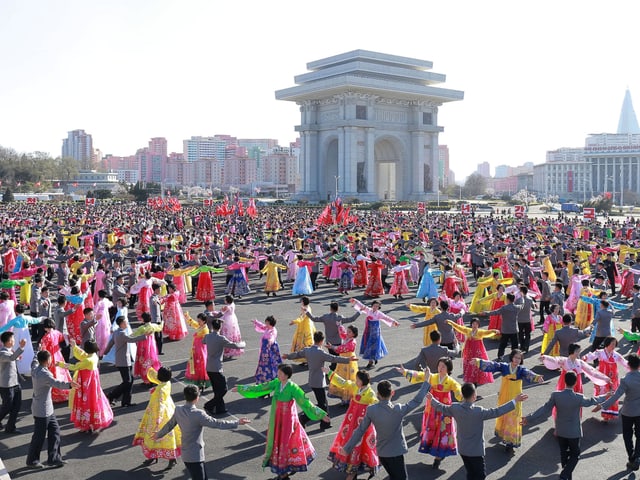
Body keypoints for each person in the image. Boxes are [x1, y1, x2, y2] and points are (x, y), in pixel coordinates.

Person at [234, 363, 328, 480]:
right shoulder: (276, 383)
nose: (277, 375)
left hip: (288, 421)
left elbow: (305, 402)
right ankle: (283, 471)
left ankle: (284, 472)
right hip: (277, 419)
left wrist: (321, 415)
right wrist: (241, 388)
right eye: (278, 373)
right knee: (277, 442)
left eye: (280, 373)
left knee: (286, 444)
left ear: (286, 375)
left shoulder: (293, 387)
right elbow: (261, 387)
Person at [428, 382, 528, 480]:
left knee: (471, 473)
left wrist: (431, 399)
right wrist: (514, 401)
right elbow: (497, 412)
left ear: (463, 395)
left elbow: (441, 407)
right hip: (476, 451)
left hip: (463, 449)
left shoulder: (455, 408)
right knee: (480, 475)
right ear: (474, 396)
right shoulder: (479, 411)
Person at [339, 378, 431, 480]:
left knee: (393, 476)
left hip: (382, 453)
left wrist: (347, 448)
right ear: (392, 393)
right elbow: (416, 400)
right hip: (396, 453)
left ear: (378, 394)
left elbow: (360, 430)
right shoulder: (398, 409)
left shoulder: (371, 410)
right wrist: (426, 381)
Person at [522, 371, 607, 480]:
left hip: (561, 430)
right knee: (575, 455)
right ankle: (565, 475)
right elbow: (592, 401)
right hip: (574, 432)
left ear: (564, 381)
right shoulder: (579, 397)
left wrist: (528, 418)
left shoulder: (556, 395)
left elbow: (544, 409)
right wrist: (606, 396)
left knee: (564, 452)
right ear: (575, 383)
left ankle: (566, 475)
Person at [154, 384, 250, 480]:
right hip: (196, 455)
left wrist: (158, 435)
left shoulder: (178, 409)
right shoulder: (199, 414)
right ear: (197, 398)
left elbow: (170, 425)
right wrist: (237, 422)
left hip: (186, 453)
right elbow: (217, 423)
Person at [474, 350, 544, 453]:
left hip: (516, 396)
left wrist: (537, 377)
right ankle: (504, 435)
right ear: (511, 357)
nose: (517, 360)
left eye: (519, 358)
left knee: (514, 416)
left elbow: (529, 373)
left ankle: (510, 442)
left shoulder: (521, 369)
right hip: (504, 395)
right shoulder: (504, 366)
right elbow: (493, 365)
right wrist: (479, 361)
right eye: (515, 357)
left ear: (521, 360)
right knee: (503, 412)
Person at [283, 330, 355, 430]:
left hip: (312, 380)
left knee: (323, 403)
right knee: (322, 404)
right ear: (321, 341)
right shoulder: (320, 352)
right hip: (319, 382)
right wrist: (348, 360)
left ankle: (325, 422)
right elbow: (333, 358)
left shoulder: (308, 350)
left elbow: (297, 354)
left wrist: (288, 356)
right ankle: (304, 418)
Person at [397, 360, 462, 469]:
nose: (440, 368)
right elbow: (420, 375)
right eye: (439, 365)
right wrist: (405, 371)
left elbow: (459, 390)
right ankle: (434, 451)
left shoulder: (451, 381)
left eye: (443, 366)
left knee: (443, 431)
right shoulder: (432, 377)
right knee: (432, 429)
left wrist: (465, 398)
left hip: (444, 410)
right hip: (431, 409)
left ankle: (438, 456)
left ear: (448, 369)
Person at [26, 350, 79, 469]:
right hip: (43, 410)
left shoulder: (35, 368)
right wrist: (70, 385)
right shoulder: (45, 374)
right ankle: (32, 460)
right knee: (39, 436)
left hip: (44, 408)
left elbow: (34, 360)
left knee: (55, 431)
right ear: (47, 361)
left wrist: (38, 350)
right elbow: (57, 383)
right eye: (50, 358)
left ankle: (54, 458)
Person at [326, 368, 379, 480]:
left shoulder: (370, 393)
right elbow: (343, 383)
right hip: (351, 421)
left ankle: (355, 468)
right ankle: (350, 465)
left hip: (362, 422)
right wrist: (330, 373)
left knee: (361, 443)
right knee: (349, 439)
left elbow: (377, 405)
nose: (355, 381)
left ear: (363, 381)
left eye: (357, 379)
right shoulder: (355, 387)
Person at [595, 352, 640, 471]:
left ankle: (632, 457)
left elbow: (616, 396)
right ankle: (637, 456)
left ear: (629, 365)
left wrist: (603, 405)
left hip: (628, 411)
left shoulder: (626, 379)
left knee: (627, 435)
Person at [58, 339, 114, 433]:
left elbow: (75, 367)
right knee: (93, 402)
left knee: (85, 403)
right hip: (92, 384)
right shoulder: (93, 356)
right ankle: (93, 423)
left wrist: (60, 364)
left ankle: (86, 424)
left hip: (86, 385)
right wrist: (74, 346)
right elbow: (83, 355)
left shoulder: (88, 360)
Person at [133, 366, 180, 468]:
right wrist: (151, 371)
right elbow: (155, 377)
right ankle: (169, 458)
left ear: (159, 377)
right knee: (168, 436)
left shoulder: (160, 389)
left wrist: (158, 419)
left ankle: (156, 456)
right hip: (169, 410)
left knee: (154, 435)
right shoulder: (167, 383)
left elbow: (160, 405)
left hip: (157, 415)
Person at [104, 316, 152, 408]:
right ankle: (112, 395)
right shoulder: (121, 334)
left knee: (130, 380)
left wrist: (104, 353)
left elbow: (110, 343)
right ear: (121, 324)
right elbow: (131, 339)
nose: (126, 323)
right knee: (127, 381)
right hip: (124, 361)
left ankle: (125, 401)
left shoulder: (116, 332)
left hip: (122, 360)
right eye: (125, 322)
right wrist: (145, 336)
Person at [203, 317, 246, 416]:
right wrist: (243, 344)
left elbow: (203, 342)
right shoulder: (221, 338)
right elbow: (234, 345)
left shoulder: (207, 336)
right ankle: (209, 405)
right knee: (223, 389)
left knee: (216, 389)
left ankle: (220, 408)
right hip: (217, 367)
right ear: (220, 327)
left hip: (209, 366)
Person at [582, 336, 629, 420]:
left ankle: (608, 414)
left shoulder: (616, 355)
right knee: (603, 394)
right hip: (602, 377)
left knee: (612, 394)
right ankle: (604, 411)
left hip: (613, 379)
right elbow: (591, 356)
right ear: (607, 344)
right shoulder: (600, 352)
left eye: (615, 344)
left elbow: (624, 362)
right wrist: (584, 358)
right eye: (612, 344)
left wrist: (634, 366)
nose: (614, 346)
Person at [448, 317, 499, 386]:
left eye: (476, 324)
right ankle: (471, 380)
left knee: (478, 365)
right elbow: (459, 327)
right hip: (469, 352)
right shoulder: (468, 330)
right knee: (469, 365)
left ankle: (476, 380)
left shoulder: (480, 332)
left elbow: (488, 332)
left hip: (478, 352)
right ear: (471, 324)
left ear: (478, 325)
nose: (474, 325)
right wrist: (450, 322)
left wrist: (494, 331)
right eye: (473, 324)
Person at [351, 298, 399, 369]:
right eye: (374, 305)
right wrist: (355, 301)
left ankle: (371, 362)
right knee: (367, 344)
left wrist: (394, 322)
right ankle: (373, 359)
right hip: (368, 330)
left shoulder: (379, 313)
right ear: (372, 305)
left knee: (373, 345)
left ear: (379, 307)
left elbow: (386, 318)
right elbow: (362, 306)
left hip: (375, 332)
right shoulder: (368, 310)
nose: (375, 307)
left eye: (377, 306)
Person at [38, 318, 72, 403]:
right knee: (62, 373)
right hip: (58, 355)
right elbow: (63, 339)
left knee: (52, 375)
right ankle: (65, 391)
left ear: (45, 327)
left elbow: (43, 349)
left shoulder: (46, 337)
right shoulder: (57, 333)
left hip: (50, 357)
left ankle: (55, 394)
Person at [0, 331, 27, 434]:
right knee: (7, 406)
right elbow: (11, 358)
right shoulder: (2, 353)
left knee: (16, 406)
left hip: (15, 383)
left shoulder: (10, 351)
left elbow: (13, 357)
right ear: (9, 341)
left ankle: (10, 427)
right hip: (6, 385)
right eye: (13, 339)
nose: (14, 340)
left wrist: (17, 355)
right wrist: (21, 347)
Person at [131, 312, 164, 385]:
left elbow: (133, 336)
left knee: (143, 362)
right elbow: (160, 327)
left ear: (143, 319)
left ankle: (146, 380)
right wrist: (162, 320)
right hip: (152, 346)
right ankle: (153, 378)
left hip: (143, 347)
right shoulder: (153, 326)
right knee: (152, 361)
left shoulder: (142, 328)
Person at [184, 312, 210, 392]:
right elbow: (194, 324)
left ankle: (201, 383)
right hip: (196, 349)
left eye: (200, 321)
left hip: (201, 351)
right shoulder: (201, 326)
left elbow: (201, 338)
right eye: (198, 320)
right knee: (195, 366)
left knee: (201, 367)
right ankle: (197, 383)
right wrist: (188, 318)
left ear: (204, 321)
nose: (198, 322)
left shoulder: (205, 329)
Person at [253, 315, 282, 383]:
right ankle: (263, 373)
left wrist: (270, 341)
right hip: (265, 347)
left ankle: (271, 374)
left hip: (270, 348)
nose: (266, 324)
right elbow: (262, 326)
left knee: (271, 361)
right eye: (266, 323)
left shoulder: (273, 330)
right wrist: (256, 322)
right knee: (264, 361)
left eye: (267, 323)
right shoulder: (267, 328)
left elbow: (273, 337)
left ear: (271, 324)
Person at [289, 296, 316, 363]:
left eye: (301, 301)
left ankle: (307, 359)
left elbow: (302, 317)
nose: (301, 302)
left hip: (305, 328)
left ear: (303, 302)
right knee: (306, 343)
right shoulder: (307, 307)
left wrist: (294, 321)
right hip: (308, 326)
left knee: (304, 343)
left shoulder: (305, 309)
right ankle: (306, 359)